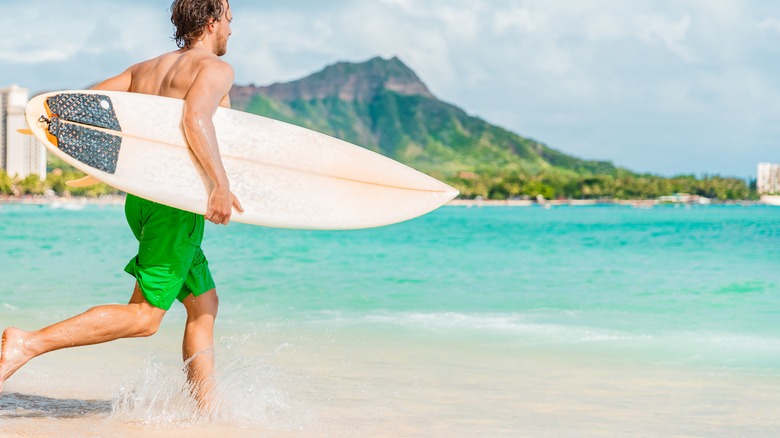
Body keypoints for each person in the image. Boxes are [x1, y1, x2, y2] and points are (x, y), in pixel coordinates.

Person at [0, 0, 242, 409]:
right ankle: (27, 343)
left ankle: (205, 414)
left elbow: (85, 104)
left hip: (143, 200)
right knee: (146, 317)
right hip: (173, 206)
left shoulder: (145, 69)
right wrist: (220, 185)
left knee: (204, 304)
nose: (232, 32)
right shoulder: (215, 69)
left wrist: (104, 163)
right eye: (230, 22)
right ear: (213, 20)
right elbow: (195, 118)